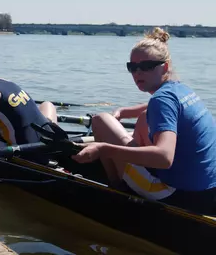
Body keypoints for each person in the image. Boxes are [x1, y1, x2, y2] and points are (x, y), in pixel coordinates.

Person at [73, 27, 216, 215]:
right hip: (208, 193)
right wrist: (124, 112)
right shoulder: (181, 90)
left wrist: (103, 149)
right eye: (132, 67)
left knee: (100, 121)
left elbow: (164, 158)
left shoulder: (161, 100)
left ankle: (116, 188)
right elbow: (158, 107)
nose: (137, 73)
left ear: (164, 67)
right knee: (142, 119)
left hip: (179, 196)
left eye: (146, 66)